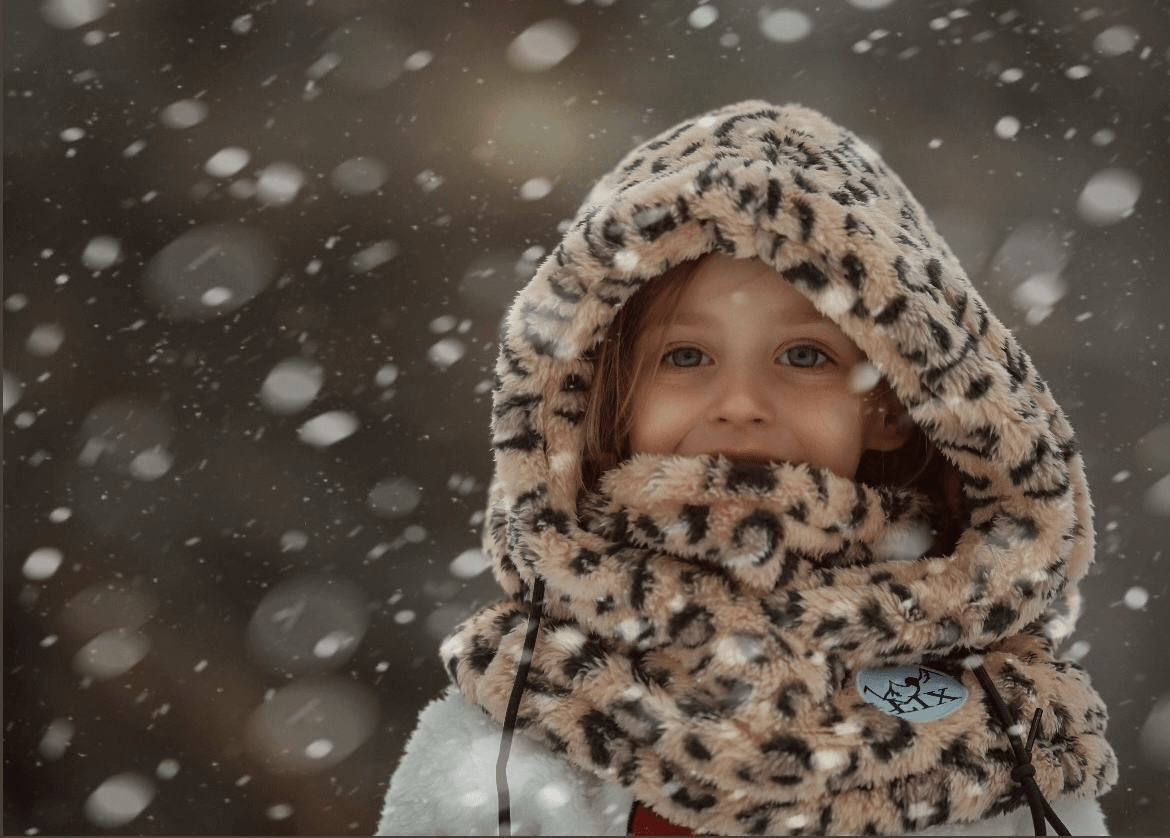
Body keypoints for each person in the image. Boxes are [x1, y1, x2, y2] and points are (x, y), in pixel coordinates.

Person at [377, 101, 1117, 836]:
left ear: (893, 403)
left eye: (804, 356)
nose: (739, 402)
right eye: (685, 356)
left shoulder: (1005, 736)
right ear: (606, 399)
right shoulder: (509, 743)